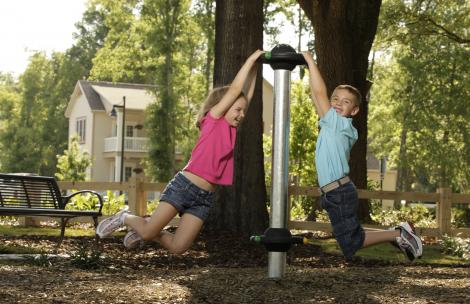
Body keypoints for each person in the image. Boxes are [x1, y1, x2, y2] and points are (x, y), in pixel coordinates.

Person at [96, 49, 264, 254]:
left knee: (178, 247)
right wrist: (250, 59)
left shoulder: (231, 129)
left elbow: (247, 95)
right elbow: (237, 88)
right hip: (185, 187)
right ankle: (125, 217)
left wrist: (257, 68)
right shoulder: (213, 120)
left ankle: (146, 229)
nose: (241, 114)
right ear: (223, 105)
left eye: (243, 111)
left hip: (205, 197)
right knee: (148, 232)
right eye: (237, 109)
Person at [302, 51, 423, 261]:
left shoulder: (338, 124)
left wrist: (310, 60)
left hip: (338, 192)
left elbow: (319, 93)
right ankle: (398, 234)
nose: (339, 103)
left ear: (355, 110)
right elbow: (316, 95)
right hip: (335, 192)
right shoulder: (333, 124)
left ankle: (399, 233)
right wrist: (307, 68)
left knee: (350, 243)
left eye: (346, 102)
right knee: (352, 236)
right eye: (336, 99)